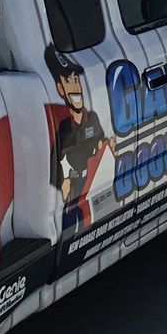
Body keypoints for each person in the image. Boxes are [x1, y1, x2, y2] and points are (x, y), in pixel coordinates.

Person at [45, 45, 113, 229]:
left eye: (76, 79)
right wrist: (65, 180)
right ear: (60, 89)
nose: (75, 86)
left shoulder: (93, 118)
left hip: (94, 189)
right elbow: (56, 164)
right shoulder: (63, 129)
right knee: (72, 225)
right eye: (68, 81)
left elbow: (102, 145)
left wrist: (107, 146)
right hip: (74, 196)